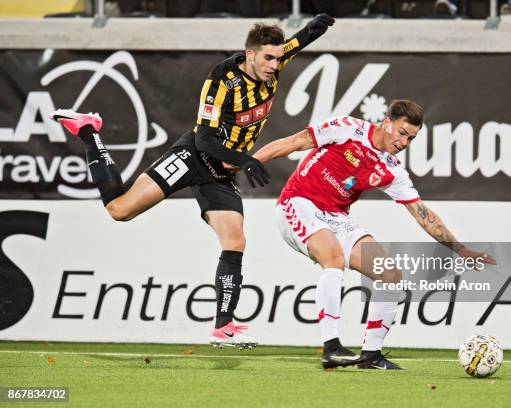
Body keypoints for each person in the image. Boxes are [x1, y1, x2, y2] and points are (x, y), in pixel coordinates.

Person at [49, 15, 335, 349]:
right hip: (194, 157)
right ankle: (88, 131)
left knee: (235, 240)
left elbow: (302, 37)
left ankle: (223, 326)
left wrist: (323, 21)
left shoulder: (275, 59)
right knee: (119, 210)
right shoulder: (221, 81)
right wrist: (247, 159)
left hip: (221, 172)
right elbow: (205, 141)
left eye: (278, 58)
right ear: (249, 54)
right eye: (268, 58)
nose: (275, 64)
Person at [252, 99, 496, 369]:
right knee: (332, 257)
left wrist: (461, 250)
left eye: (411, 138)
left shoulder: (391, 169)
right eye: (402, 133)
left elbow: (423, 215)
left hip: (336, 217)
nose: (404, 142)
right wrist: (251, 161)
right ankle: (331, 347)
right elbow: (297, 141)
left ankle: (370, 355)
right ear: (386, 122)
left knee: (390, 274)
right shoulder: (347, 128)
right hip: (298, 203)